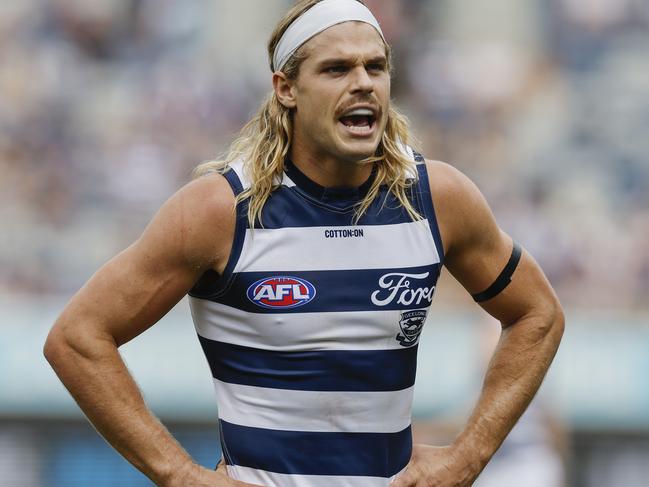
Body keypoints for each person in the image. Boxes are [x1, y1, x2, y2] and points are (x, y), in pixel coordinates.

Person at [43, 0, 565, 486]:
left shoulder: (437, 198)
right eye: (336, 69)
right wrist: (180, 475)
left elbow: (537, 315)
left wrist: (468, 456)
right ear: (286, 88)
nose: (363, 84)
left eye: (375, 67)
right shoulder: (219, 211)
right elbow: (77, 338)